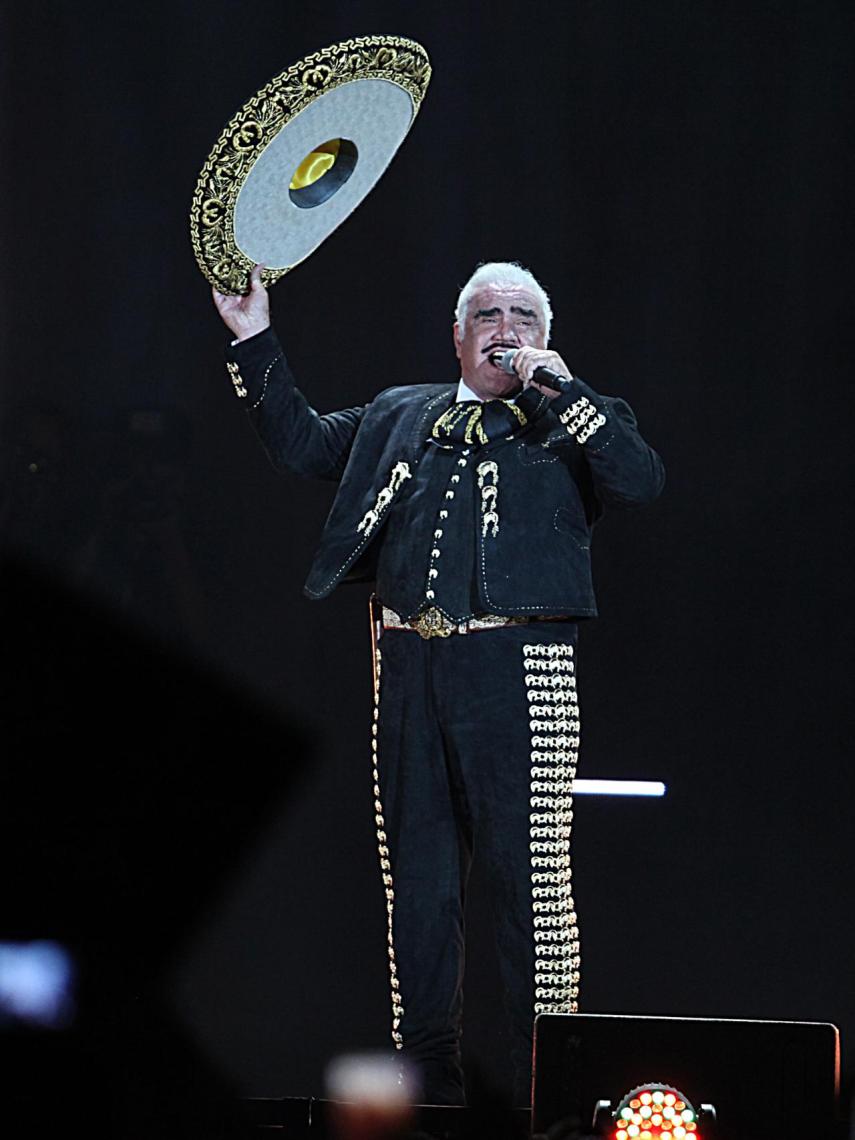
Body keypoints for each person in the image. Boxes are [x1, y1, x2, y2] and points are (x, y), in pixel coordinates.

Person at [213, 261, 665, 1107]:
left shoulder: (572, 420)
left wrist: (558, 387)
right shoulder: (399, 412)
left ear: (545, 333)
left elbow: (639, 479)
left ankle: (550, 1091)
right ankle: (426, 1091)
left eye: (522, 315)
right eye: (485, 315)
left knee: (530, 882)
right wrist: (252, 337)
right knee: (417, 885)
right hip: (408, 667)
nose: (504, 328)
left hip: (518, 667)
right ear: (455, 337)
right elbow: (303, 446)